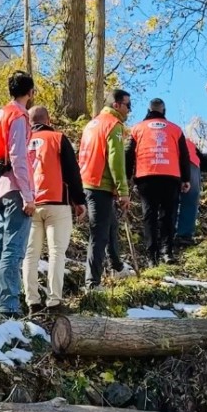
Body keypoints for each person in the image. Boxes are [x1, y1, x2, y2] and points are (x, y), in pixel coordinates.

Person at [22, 105, 86, 315]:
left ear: (30, 121)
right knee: (57, 252)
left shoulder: (22, 138)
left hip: (30, 202)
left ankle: (32, 302)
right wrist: (79, 200)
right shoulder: (58, 138)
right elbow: (72, 171)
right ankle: (54, 302)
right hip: (56, 201)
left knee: (31, 254)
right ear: (48, 120)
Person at [0, 71, 36, 323]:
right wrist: (29, 195)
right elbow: (18, 157)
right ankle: (8, 308)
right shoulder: (18, 116)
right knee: (13, 250)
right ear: (31, 93)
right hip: (15, 189)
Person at [78, 89, 134, 291]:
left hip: (87, 182)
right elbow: (116, 161)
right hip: (100, 184)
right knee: (99, 234)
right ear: (117, 105)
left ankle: (117, 267)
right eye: (128, 105)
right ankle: (92, 283)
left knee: (110, 227)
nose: (130, 110)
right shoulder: (114, 125)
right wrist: (123, 191)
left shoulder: (92, 124)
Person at [126, 98, 191, 265]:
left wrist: (126, 176)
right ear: (164, 110)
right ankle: (167, 252)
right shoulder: (175, 129)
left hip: (146, 176)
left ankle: (151, 256)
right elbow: (184, 156)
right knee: (168, 215)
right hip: (170, 177)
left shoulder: (137, 128)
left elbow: (128, 153)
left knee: (149, 215)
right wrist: (186, 178)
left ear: (148, 110)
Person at [176, 135, 207, 247]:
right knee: (190, 199)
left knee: (169, 201)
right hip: (190, 163)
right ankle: (184, 236)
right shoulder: (188, 142)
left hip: (167, 163)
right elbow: (204, 162)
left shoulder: (168, 137)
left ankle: (167, 234)